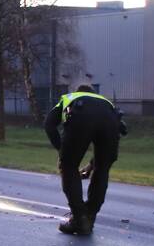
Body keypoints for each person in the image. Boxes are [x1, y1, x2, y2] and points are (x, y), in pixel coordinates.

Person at [44, 84, 125, 235]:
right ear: (94, 93)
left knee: (68, 167)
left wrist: (62, 151)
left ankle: (79, 219)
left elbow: (49, 124)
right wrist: (92, 165)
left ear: (78, 92)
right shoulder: (106, 103)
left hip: (80, 119)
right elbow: (113, 139)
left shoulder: (70, 98)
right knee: (103, 168)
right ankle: (90, 216)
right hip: (111, 123)